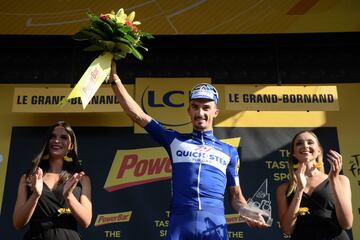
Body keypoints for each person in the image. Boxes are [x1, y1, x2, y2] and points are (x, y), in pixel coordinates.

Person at [108, 61, 268, 240]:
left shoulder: (229, 151)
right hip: (180, 224)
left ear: (216, 112)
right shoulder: (175, 140)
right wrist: (115, 81)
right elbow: (138, 115)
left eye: (206, 107)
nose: (200, 113)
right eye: (195, 107)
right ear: (188, 110)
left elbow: (236, 197)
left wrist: (247, 211)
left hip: (214, 226)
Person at [13, 121, 92, 240]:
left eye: (64, 137)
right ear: (47, 142)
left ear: (71, 145)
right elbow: (17, 223)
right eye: (52, 137)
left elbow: (86, 221)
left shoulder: (82, 179)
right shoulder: (29, 177)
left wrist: (68, 196)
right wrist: (35, 195)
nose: (56, 140)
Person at [276, 130, 353, 240]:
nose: (305, 146)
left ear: (318, 151)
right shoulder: (283, 189)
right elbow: (287, 230)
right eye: (299, 143)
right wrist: (299, 190)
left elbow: (347, 224)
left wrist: (334, 179)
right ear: (293, 153)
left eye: (310, 142)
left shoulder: (341, 180)